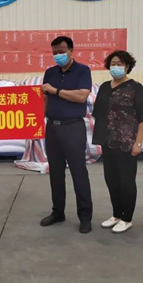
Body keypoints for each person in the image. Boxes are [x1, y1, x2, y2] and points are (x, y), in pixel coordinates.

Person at [92, 51, 143, 234]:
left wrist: (138, 143)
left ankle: (127, 218)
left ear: (127, 67)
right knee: (111, 180)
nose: (116, 67)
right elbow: (98, 112)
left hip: (127, 143)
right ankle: (116, 214)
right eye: (113, 63)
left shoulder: (135, 88)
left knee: (126, 181)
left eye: (120, 64)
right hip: (108, 141)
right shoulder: (104, 87)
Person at [40, 36, 93, 234]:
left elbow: (81, 96)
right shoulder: (50, 72)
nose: (58, 55)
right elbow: (45, 100)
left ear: (71, 51)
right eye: (54, 52)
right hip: (52, 128)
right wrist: (35, 122)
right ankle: (58, 212)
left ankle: (85, 217)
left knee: (79, 173)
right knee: (55, 173)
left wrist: (56, 91)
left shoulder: (82, 70)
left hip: (73, 128)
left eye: (61, 51)